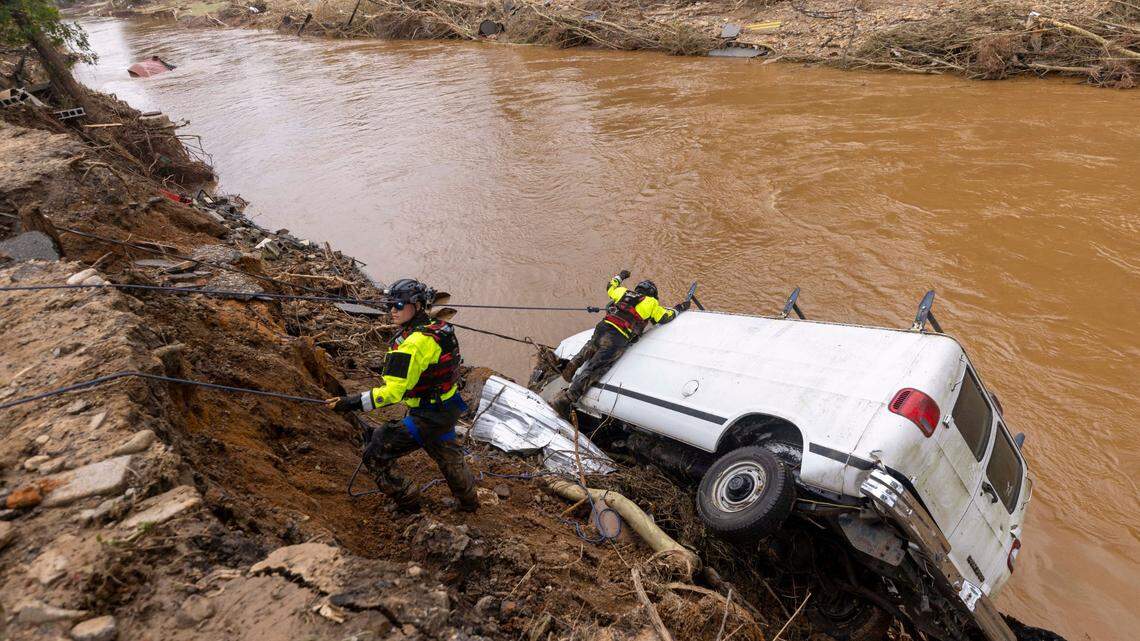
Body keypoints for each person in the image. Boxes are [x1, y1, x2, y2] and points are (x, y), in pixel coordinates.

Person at [326, 278, 478, 513]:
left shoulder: (412, 345)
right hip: (447, 406)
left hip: (428, 414)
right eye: (390, 305)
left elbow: (392, 393)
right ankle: (469, 503)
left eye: (398, 305)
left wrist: (351, 402)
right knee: (448, 455)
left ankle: (408, 501)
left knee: (376, 450)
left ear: (416, 306)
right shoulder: (439, 328)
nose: (391, 311)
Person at [550, 270, 690, 418]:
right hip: (617, 337)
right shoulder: (652, 303)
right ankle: (565, 400)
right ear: (653, 294)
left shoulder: (623, 292)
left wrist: (621, 276)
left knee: (591, 346)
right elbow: (665, 317)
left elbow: (610, 286)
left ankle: (573, 364)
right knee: (595, 368)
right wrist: (679, 308)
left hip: (603, 326)